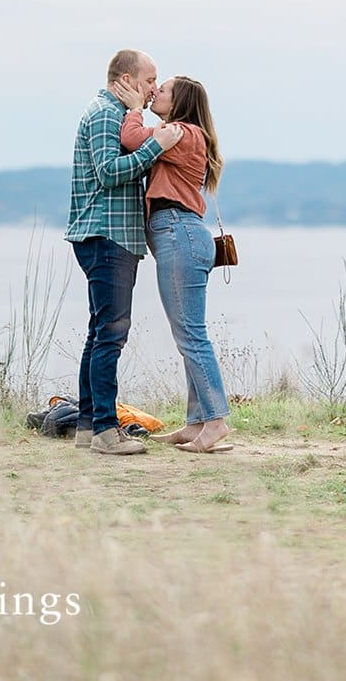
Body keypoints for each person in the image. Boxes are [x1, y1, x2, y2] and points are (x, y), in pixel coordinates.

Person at [66, 49, 184, 456]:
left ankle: (87, 425)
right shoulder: (104, 114)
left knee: (99, 332)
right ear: (128, 79)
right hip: (105, 236)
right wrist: (157, 149)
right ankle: (105, 431)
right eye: (150, 80)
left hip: (112, 237)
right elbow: (109, 172)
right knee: (111, 335)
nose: (154, 89)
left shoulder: (120, 116)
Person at [112, 74, 233, 454]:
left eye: (162, 90)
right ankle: (197, 422)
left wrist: (133, 110)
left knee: (191, 336)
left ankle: (215, 421)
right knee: (189, 335)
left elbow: (131, 140)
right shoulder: (187, 134)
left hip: (179, 233)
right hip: (180, 234)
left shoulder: (182, 132)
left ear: (179, 101)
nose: (154, 93)